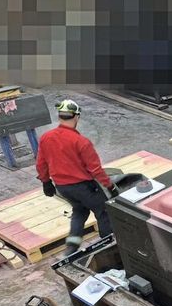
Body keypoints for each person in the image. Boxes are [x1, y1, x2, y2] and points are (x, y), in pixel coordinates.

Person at [36, 99, 115, 255]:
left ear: (60, 117)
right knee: (103, 211)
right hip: (84, 187)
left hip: (62, 187)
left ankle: (72, 247)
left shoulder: (46, 137)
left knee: (80, 211)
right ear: (77, 117)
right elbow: (95, 169)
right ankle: (109, 246)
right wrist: (109, 185)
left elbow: (41, 163)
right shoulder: (81, 142)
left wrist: (46, 182)